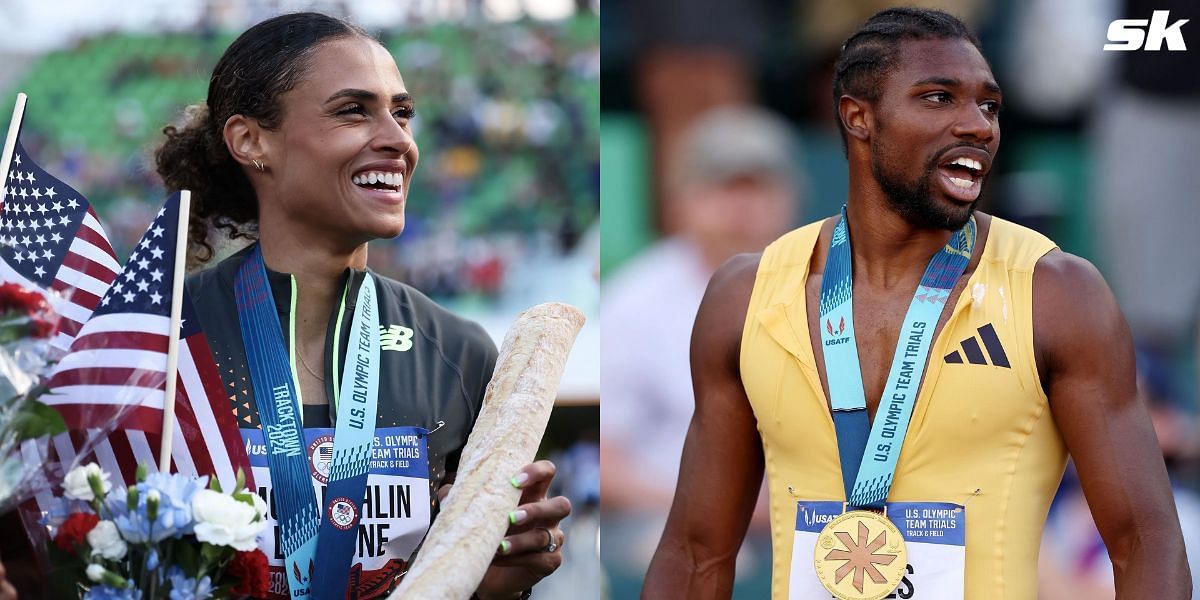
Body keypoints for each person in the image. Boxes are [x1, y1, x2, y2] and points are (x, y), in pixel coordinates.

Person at [643, 7, 1189, 600]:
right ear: (859, 118)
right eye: (938, 98)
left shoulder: (1057, 295)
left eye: (989, 105)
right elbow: (696, 553)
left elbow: (1145, 543)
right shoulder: (745, 297)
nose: (977, 125)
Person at [155, 13, 569, 600]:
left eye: (402, 112)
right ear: (251, 141)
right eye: (353, 110)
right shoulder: (161, 335)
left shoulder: (457, 351)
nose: (399, 139)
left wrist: (494, 581)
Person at [600, 105, 798, 591]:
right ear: (681, 200)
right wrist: (716, 505)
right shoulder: (636, 299)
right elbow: (604, 459)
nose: (744, 206)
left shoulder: (839, 285)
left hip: (809, 514)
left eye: (760, 187)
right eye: (726, 187)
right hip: (668, 513)